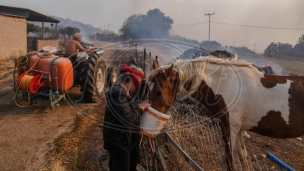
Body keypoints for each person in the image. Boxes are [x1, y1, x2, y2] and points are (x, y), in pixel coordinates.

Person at [103, 64, 150, 171]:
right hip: (119, 143)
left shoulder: (125, 93)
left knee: (134, 163)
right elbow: (128, 119)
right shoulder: (119, 95)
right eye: (139, 81)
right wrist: (141, 108)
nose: (139, 85)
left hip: (127, 140)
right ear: (133, 79)